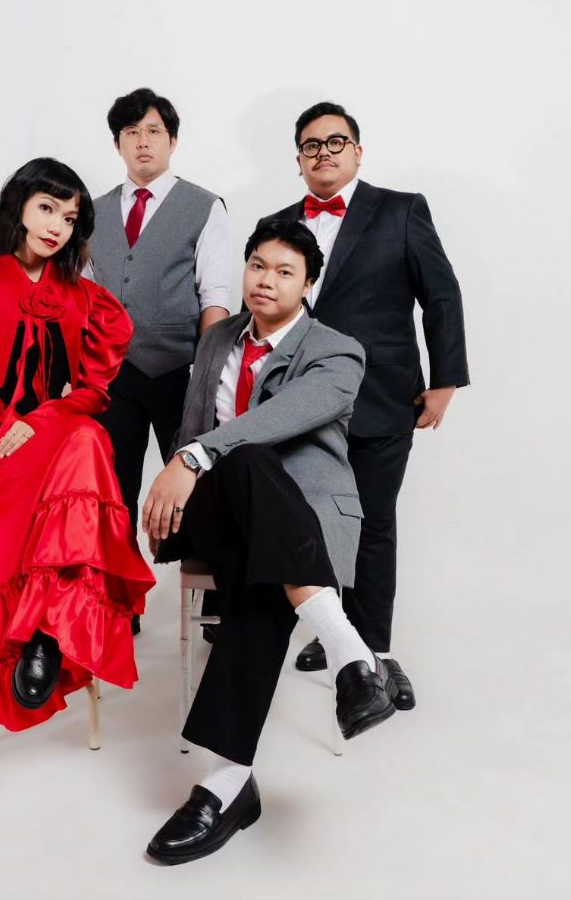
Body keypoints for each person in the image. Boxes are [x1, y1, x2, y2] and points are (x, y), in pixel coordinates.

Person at [142, 219, 397, 865]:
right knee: (244, 468)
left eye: (285, 271)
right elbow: (192, 428)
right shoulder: (217, 339)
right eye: (258, 265)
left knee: (255, 505)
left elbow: (280, 417)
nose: (266, 280)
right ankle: (348, 651)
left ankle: (225, 783)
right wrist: (181, 467)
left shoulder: (338, 351)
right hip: (211, 511)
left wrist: (198, 455)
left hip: (293, 523)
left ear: (308, 285)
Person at [0, 157, 155, 733]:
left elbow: (93, 393)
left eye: (69, 219)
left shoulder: (89, 303)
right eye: (47, 208)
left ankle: (46, 632)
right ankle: (35, 633)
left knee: (87, 435)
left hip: (58, 447)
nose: (56, 227)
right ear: (17, 206)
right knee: (85, 443)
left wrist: (43, 419)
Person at [262, 102, 470, 709]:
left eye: (335, 142)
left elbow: (441, 295)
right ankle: (336, 633)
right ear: (299, 160)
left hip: (381, 396)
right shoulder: (276, 223)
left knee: (373, 522)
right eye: (311, 145)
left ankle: (374, 653)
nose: (323, 153)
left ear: (357, 151)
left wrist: (446, 380)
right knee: (311, 522)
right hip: (297, 400)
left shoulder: (402, 210)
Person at [87, 88, 231, 631]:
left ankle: (216, 598)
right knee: (113, 490)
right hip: (113, 374)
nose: (142, 142)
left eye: (153, 132)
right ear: (117, 144)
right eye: (131, 133)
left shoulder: (204, 206)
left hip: (180, 371)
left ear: (172, 141)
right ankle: (121, 602)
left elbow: (215, 296)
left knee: (201, 483)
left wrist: (207, 380)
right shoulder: (93, 211)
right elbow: (84, 294)